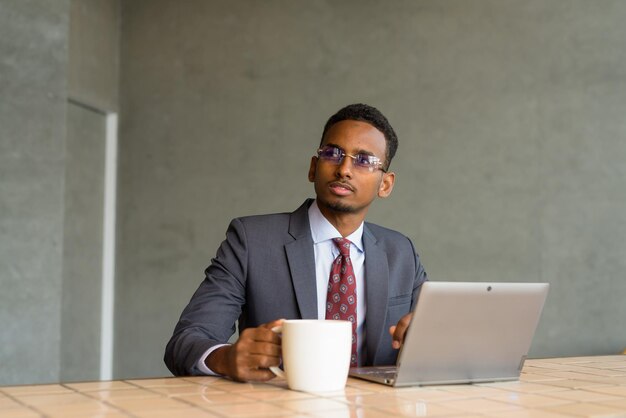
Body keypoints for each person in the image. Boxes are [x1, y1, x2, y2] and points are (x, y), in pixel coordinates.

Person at [164, 103, 427, 382]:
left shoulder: (401, 253)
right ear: (314, 167)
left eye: (364, 160)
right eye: (333, 153)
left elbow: (436, 338)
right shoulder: (251, 241)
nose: (344, 169)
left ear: (385, 184)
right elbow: (185, 341)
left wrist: (428, 341)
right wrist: (225, 358)